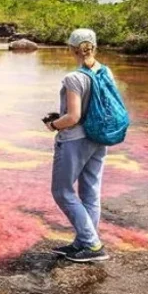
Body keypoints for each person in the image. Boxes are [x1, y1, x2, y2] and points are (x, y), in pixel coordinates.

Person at [44, 28, 110, 263]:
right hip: (99, 137)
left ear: (72, 49)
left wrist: (53, 125)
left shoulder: (74, 78)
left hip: (74, 140)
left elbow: (72, 117)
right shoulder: (105, 72)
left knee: (62, 191)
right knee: (90, 191)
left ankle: (92, 244)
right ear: (94, 47)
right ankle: (84, 242)